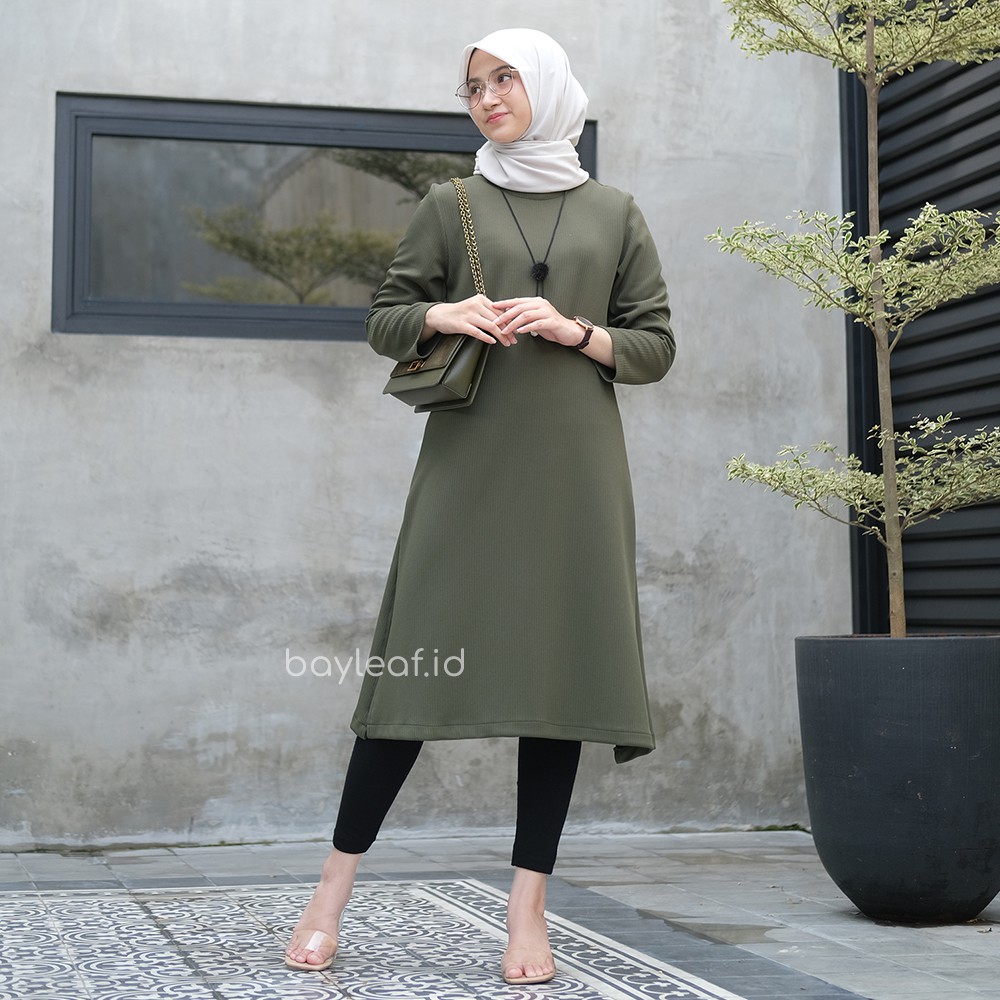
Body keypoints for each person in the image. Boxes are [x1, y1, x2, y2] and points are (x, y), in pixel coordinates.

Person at [284, 27, 675, 986]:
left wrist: (576, 331)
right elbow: (384, 317)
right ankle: (328, 895)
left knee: (556, 686)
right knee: (408, 681)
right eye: (472, 87)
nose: (488, 97)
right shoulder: (449, 202)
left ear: (546, 85)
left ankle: (527, 912)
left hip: (576, 471)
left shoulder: (615, 212)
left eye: (504, 79)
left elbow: (655, 345)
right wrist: (443, 313)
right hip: (468, 463)